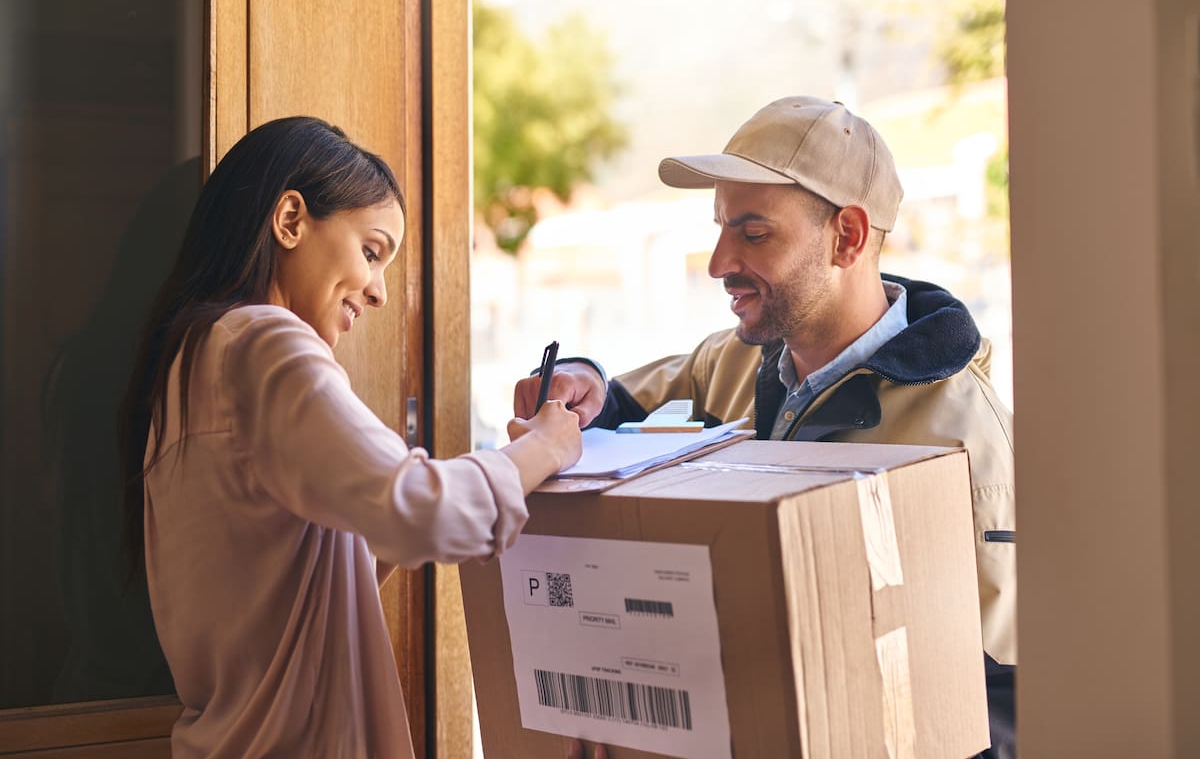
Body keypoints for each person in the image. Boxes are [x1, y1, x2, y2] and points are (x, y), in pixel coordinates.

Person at [514, 96, 1017, 759]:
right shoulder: (734, 359)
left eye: (753, 234)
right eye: (720, 227)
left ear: (849, 237)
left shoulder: (962, 442)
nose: (719, 260)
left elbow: (996, 709)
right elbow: (621, 403)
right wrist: (580, 381)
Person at [118, 116, 582, 759]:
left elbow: (295, 583)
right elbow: (426, 510)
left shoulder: (191, 360)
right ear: (290, 220)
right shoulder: (264, 343)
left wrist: (390, 504)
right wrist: (547, 447)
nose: (381, 291)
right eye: (371, 250)